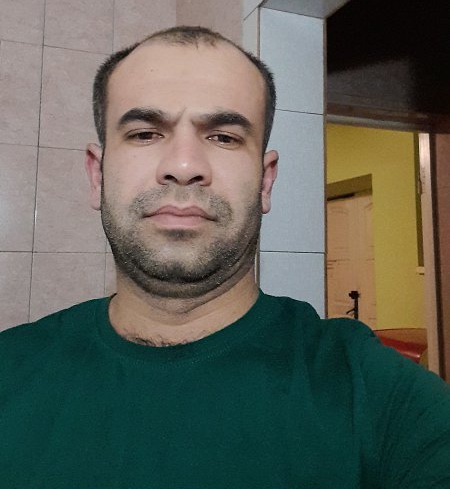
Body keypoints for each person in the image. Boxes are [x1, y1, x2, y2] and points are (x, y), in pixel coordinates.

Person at [1, 26, 449, 488]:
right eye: (145, 133)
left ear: (265, 181)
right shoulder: (8, 371)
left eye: (223, 137)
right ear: (97, 175)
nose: (184, 166)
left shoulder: (385, 400)